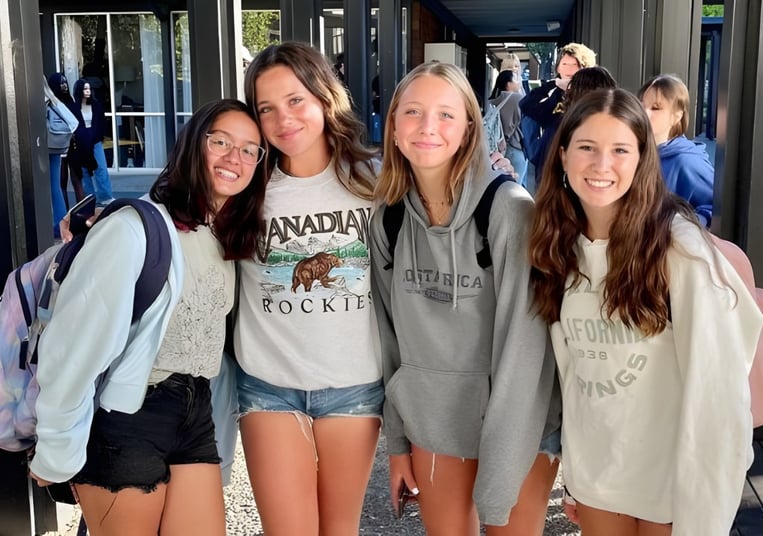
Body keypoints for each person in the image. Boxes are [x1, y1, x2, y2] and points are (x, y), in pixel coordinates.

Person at [528, 88, 763, 535]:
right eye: (587, 148)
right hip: (600, 478)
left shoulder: (679, 248)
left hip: (672, 480)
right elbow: (574, 376)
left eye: (620, 150)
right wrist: (575, 477)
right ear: (561, 156)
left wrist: (706, 507)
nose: (601, 165)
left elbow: (719, 391)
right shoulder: (556, 246)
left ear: (642, 159)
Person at [29, 98, 268, 535]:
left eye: (251, 149)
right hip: (128, 418)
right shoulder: (132, 229)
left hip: (194, 414)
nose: (236, 158)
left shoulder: (224, 236)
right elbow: (73, 348)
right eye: (222, 142)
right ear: (194, 145)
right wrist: (56, 450)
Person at [370, 61, 561, 536]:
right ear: (393, 127)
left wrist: (496, 482)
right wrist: (397, 442)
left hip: (520, 426)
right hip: (435, 421)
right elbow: (390, 343)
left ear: (471, 128)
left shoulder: (510, 210)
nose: (427, 127)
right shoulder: (387, 219)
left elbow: (527, 351)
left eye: (445, 114)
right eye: (412, 112)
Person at [236, 41, 383, 535]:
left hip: (353, 385)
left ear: (324, 96)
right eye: (266, 108)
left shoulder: (376, 182)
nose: (283, 119)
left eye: (296, 99)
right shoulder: (244, 190)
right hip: (268, 385)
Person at [638, 74, 714, 226]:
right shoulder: (631, 151)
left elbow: (715, 207)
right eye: (641, 105)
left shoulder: (687, 161)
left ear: (677, 117)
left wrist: (678, 230)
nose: (645, 113)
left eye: (655, 108)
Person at [519, 42, 597, 189]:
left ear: (584, 67)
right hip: (547, 162)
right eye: (564, 64)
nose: (568, 69)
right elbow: (527, 104)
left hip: (574, 164)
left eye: (574, 64)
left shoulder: (590, 97)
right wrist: (554, 85)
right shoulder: (557, 93)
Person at [69, 78, 114, 206]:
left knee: (101, 167)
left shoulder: (96, 105)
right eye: (85, 89)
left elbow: (101, 123)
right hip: (82, 143)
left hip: (95, 141)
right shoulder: (74, 107)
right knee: (84, 170)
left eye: (89, 89)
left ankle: (105, 196)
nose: (88, 91)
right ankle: (89, 198)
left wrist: (96, 136)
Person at [489, 70, 528, 186]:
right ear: (508, 83)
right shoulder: (517, 99)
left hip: (495, 149)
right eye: (516, 79)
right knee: (515, 186)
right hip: (514, 148)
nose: (519, 81)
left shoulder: (492, 100)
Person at [44, 73, 71, 237]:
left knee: (51, 184)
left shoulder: (43, 99)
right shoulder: (52, 98)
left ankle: (57, 224)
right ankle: (61, 222)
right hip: (55, 144)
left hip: (44, 144)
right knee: (55, 184)